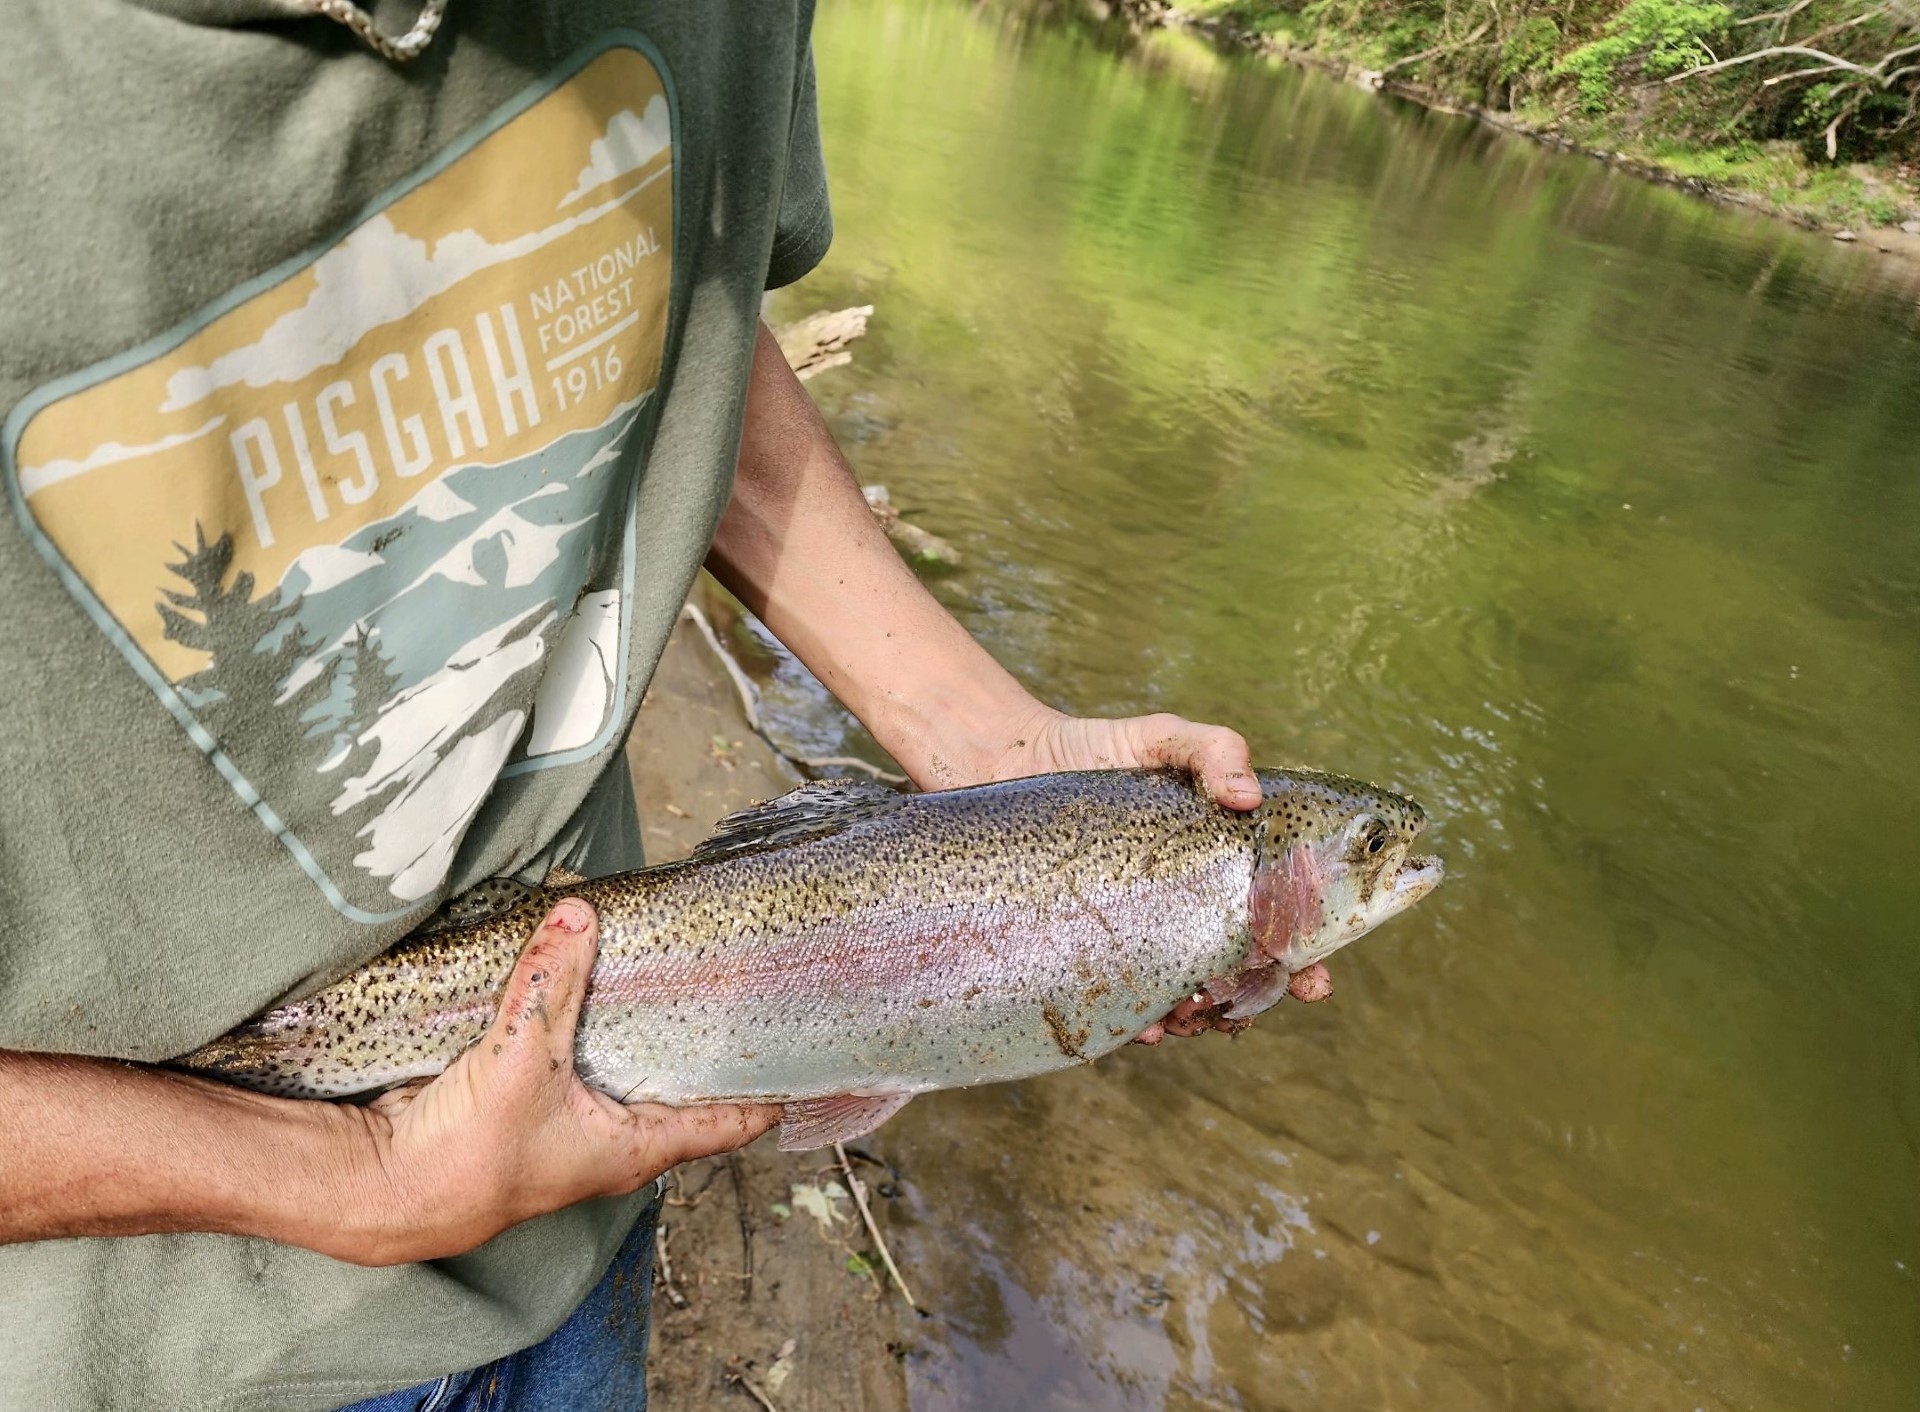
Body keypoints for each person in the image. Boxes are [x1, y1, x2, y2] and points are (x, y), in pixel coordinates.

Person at [0, 2, 1286, 1409]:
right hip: (140, 1345)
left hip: (581, 1211)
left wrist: (986, 740)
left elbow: (669, 294)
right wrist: (350, 1177)